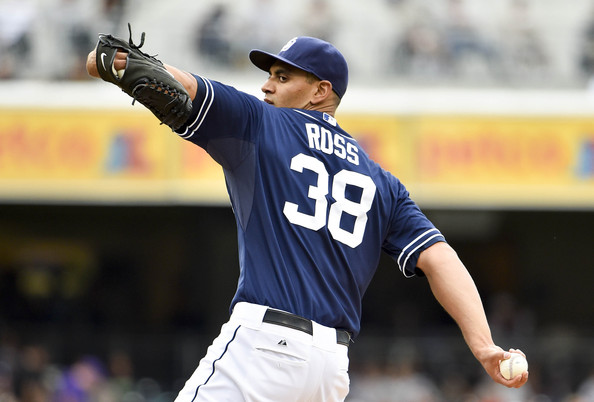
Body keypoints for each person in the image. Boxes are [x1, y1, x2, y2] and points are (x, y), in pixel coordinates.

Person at [86, 30, 529, 401]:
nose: (267, 87)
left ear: (321, 91)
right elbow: (441, 258)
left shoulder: (262, 122)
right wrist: (484, 345)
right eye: (268, 76)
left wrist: (114, 63)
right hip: (330, 370)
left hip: (263, 348)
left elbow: (161, 78)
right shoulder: (382, 182)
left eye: (282, 77)